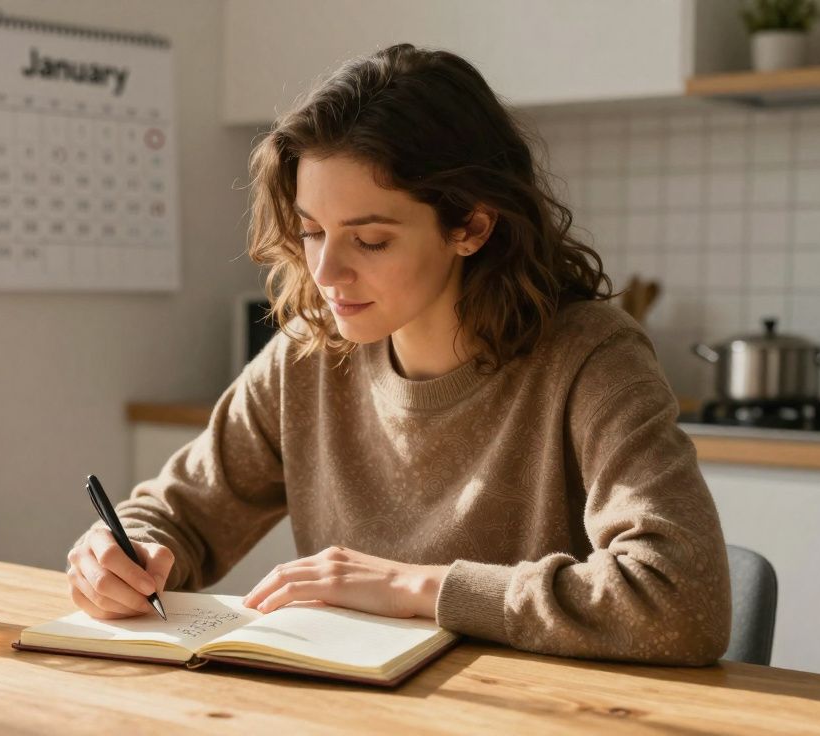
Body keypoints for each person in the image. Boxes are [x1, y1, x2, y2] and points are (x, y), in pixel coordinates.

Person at [65, 44, 731, 666]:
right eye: (312, 231)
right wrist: (122, 551)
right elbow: (177, 512)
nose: (326, 273)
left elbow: (683, 598)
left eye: (371, 240)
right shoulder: (308, 357)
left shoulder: (590, 357)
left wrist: (417, 587)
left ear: (471, 225)